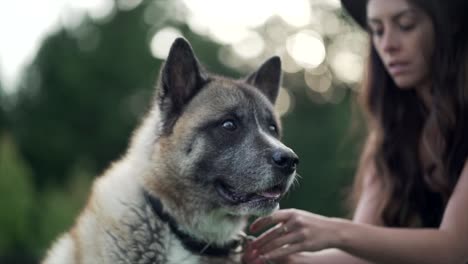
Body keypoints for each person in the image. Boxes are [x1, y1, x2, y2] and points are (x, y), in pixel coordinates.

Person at [243, 0, 468, 263]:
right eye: (377, 30)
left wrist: (332, 230)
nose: (388, 45)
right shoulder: (393, 134)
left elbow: (455, 247)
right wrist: (283, 259)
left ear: (448, 26)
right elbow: (362, 253)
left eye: (406, 25)